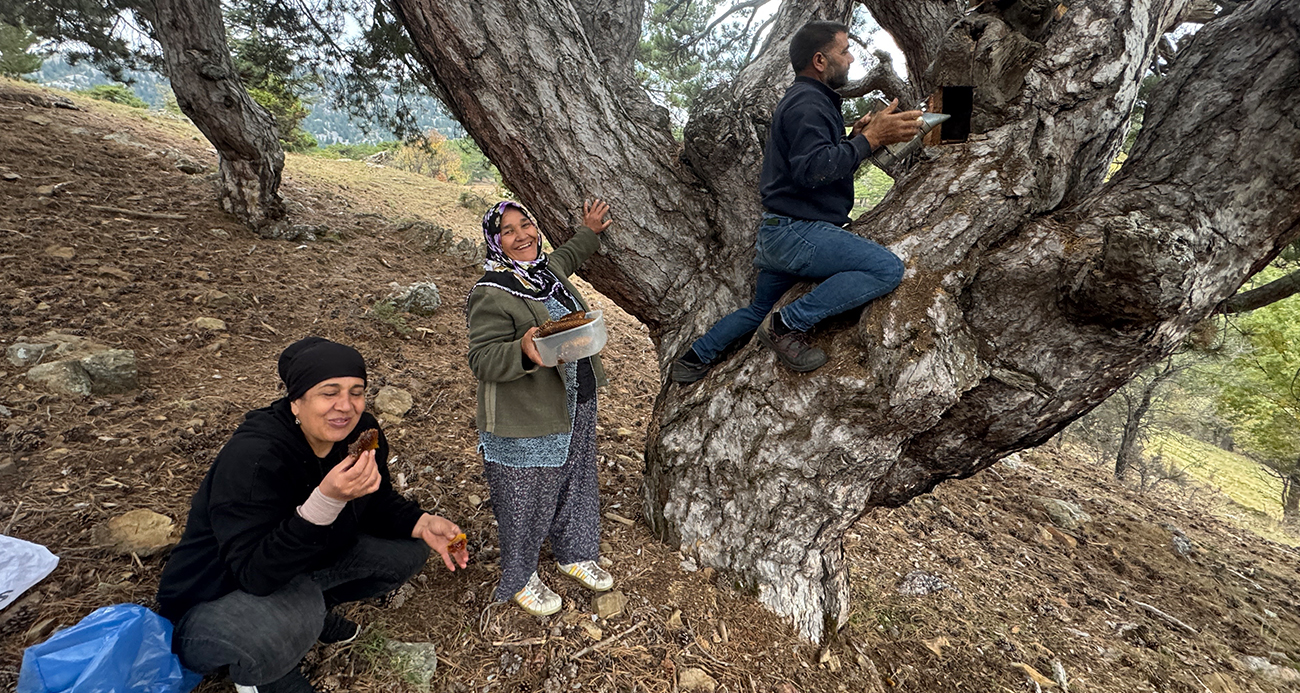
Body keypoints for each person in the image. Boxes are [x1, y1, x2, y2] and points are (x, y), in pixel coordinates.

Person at [156, 337, 469, 693]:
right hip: (212, 599)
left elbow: (375, 501)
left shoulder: (362, 434)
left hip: (296, 565)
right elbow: (253, 573)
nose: (346, 407)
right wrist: (326, 499)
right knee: (300, 608)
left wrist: (422, 522)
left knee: (407, 550)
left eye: (356, 391)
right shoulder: (255, 457)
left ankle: (306, 617)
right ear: (296, 402)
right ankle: (261, 671)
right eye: (328, 392)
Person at [671, 20, 923, 383]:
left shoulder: (811, 101)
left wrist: (856, 136)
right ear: (820, 60)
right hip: (797, 232)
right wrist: (870, 139)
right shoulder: (808, 103)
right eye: (845, 51)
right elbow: (814, 170)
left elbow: (815, 163)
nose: (851, 59)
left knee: (757, 309)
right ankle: (787, 325)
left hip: (780, 232)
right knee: (886, 270)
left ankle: (694, 358)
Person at [466, 198, 614, 616]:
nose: (523, 236)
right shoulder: (491, 292)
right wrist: (524, 350)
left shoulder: (546, 273)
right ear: (495, 242)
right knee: (525, 496)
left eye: (526, 224)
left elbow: (567, 255)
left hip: (577, 397)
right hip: (528, 413)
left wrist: (589, 231)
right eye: (508, 231)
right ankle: (520, 577)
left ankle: (574, 553)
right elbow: (481, 359)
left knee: (576, 478)